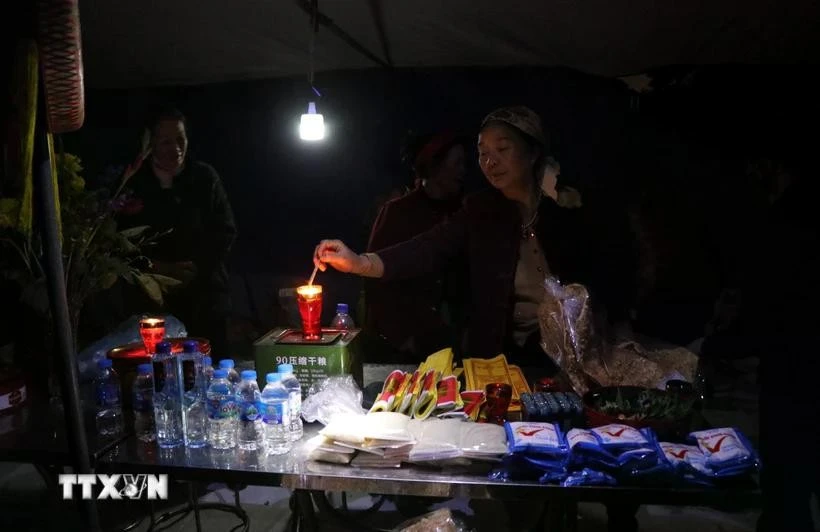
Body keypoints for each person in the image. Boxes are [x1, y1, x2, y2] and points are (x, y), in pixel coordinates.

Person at [314, 106, 634, 369]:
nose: (490, 162)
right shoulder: (480, 210)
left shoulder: (568, 207)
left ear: (533, 152)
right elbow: (425, 249)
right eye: (482, 153)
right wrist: (358, 262)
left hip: (575, 357)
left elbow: (610, 269)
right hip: (503, 357)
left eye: (502, 149)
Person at [117, 107, 237, 361]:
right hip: (153, 299)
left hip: (205, 293)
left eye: (180, 140)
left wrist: (196, 266)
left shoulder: (204, 176)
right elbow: (119, 240)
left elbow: (225, 230)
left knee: (213, 363)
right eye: (166, 141)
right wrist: (157, 267)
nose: (175, 148)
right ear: (151, 144)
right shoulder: (134, 182)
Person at [365, 130, 468, 361]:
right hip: (407, 345)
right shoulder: (398, 212)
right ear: (434, 166)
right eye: (457, 163)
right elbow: (375, 282)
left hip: (453, 340)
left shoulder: (463, 212)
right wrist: (402, 337)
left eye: (465, 163)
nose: (463, 170)